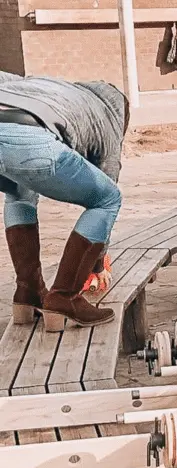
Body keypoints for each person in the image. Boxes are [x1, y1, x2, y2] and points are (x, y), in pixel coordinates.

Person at [0, 71, 127, 332]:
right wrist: (97, 263)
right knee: (107, 199)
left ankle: (28, 291)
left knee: (19, 193)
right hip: (29, 138)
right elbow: (107, 179)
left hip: (14, 121)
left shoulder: (48, 86)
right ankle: (64, 297)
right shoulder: (110, 118)